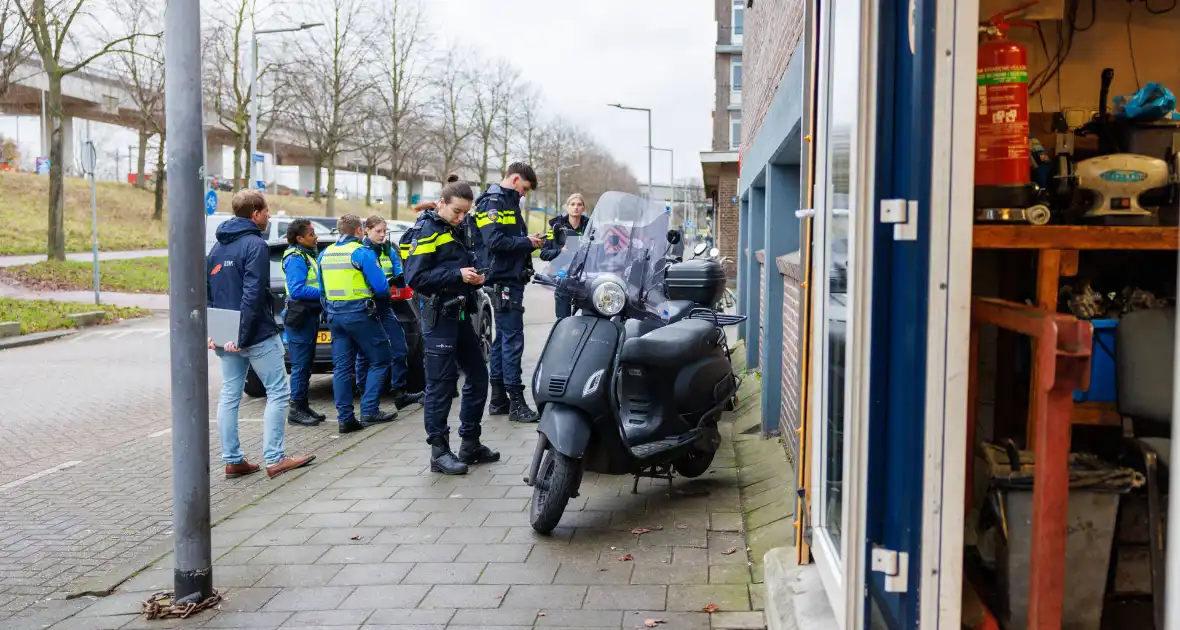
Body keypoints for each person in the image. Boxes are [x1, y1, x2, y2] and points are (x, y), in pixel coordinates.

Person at [206, 189, 315, 479]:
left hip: (226, 334)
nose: (269, 215)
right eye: (266, 211)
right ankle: (275, 458)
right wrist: (242, 335)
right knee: (278, 391)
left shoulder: (217, 248)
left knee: (230, 394)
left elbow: (208, 294)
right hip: (254, 333)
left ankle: (233, 460)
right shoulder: (255, 245)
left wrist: (216, 333)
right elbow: (253, 295)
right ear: (255, 214)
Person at [402, 180, 499, 475]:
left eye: (464, 213)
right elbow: (415, 278)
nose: (461, 217)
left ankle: (469, 442)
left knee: (479, 375)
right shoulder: (427, 230)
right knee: (441, 386)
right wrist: (457, 274)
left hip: (459, 314)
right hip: (438, 317)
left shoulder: (455, 228)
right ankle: (439, 452)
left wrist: (474, 276)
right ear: (441, 203)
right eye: (456, 211)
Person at [475, 163, 544, 423]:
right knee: (513, 340)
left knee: (503, 339)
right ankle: (516, 403)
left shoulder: (507, 202)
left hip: (509, 279)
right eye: (524, 188)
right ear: (515, 179)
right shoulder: (494, 202)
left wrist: (529, 240)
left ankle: (498, 399)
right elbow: (494, 242)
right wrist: (527, 242)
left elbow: (507, 237)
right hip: (503, 280)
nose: (524, 194)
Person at [318, 214, 399, 434]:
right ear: (359, 231)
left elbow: (322, 290)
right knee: (380, 359)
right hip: (360, 314)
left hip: (335, 316)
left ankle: (345, 419)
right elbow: (381, 287)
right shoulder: (362, 253)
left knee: (342, 368)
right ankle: (370, 410)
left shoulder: (324, 254)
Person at [356, 215, 424, 409]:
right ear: (366, 230)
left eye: (384, 231)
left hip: (386, 305)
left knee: (400, 348)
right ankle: (363, 391)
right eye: (378, 231)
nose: (382, 235)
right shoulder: (361, 251)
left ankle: (399, 392)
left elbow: (397, 271)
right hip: (368, 307)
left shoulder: (388, 250)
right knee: (364, 353)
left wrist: (399, 278)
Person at [282, 219, 327, 426]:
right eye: (311, 234)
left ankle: (303, 404)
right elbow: (297, 289)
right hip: (300, 317)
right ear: (299, 238)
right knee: (300, 365)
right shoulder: (295, 258)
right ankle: (295, 410)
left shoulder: (307, 255)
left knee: (306, 363)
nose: (315, 236)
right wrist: (324, 293)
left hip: (308, 315)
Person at [539, 193, 589, 320]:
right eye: (572, 204)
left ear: (584, 208)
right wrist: (560, 251)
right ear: (567, 207)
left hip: (585, 275)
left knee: (590, 316)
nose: (576, 207)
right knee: (563, 318)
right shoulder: (556, 227)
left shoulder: (590, 227)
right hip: (562, 274)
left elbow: (599, 250)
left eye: (579, 204)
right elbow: (544, 253)